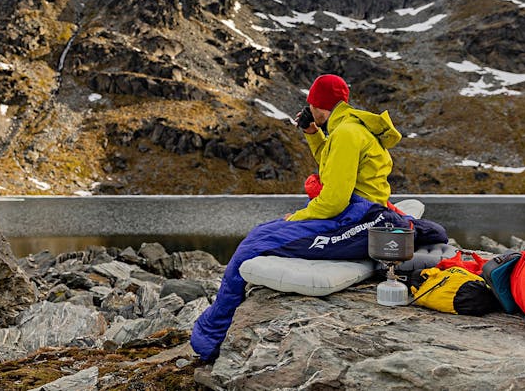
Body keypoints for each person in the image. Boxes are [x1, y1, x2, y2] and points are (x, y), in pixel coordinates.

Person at [190, 74, 447, 362]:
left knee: (252, 246)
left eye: (311, 105)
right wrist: (313, 133)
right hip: (360, 213)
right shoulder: (350, 127)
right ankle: (213, 333)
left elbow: (335, 200)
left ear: (316, 104)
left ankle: (209, 340)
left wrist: (298, 217)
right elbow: (333, 162)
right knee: (261, 234)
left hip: (358, 218)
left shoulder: (346, 134)